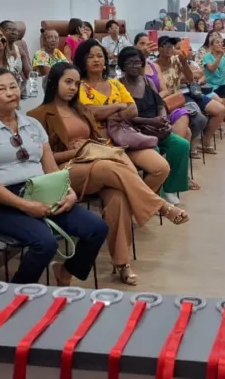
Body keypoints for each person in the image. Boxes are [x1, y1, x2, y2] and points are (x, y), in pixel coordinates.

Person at [29, 63, 189, 285]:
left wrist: (94, 147)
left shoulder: (81, 109)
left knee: (118, 196)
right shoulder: (36, 115)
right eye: (68, 82)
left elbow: (96, 141)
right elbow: (40, 159)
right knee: (109, 167)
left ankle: (121, 264)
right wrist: (77, 150)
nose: (73, 88)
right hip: (64, 170)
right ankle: (159, 205)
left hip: (95, 163)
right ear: (53, 82)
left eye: (76, 83)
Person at [0, 68, 108, 286]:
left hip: (43, 193)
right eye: (1, 89)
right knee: (45, 243)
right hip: (4, 204)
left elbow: (51, 169)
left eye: (13, 86)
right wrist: (25, 206)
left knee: (97, 228)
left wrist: (68, 192)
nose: (11, 93)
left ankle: (65, 272)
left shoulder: (32, 124)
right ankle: (18, 294)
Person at [74, 40, 172, 193]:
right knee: (131, 174)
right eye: (90, 56)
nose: (96, 60)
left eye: (100, 56)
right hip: (102, 142)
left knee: (161, 167)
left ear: (105, 61)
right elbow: (91, 113)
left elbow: (133, 110)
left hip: (126, 137)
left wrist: (107, 114)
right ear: (82, 60)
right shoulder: (78, 86)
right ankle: (141, 205)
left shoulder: (115, 84)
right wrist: (118, 106)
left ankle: (137, 206)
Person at [119, 47, 192, 203]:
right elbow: (123, 117)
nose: (135, 66)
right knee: (155, 151)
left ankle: (171, 188)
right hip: (135, 132)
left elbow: (160, 105)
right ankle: (155, 196)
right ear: (122, 65)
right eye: (130, 63)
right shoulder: (118, 86)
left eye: (138, 62)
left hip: (156, 127)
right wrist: (150, 122)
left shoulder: (148, 82)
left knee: (181, 145)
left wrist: (163, 120)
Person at [202, 34, 225, 137]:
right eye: (217, 42)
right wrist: (219, 56)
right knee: (224, 102)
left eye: (221, 42)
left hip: (222, 85)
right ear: (212, 45)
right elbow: (212, 69)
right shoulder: (207, 56)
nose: (220, 44)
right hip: (209, 86)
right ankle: (213, 130)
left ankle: (221, 127)